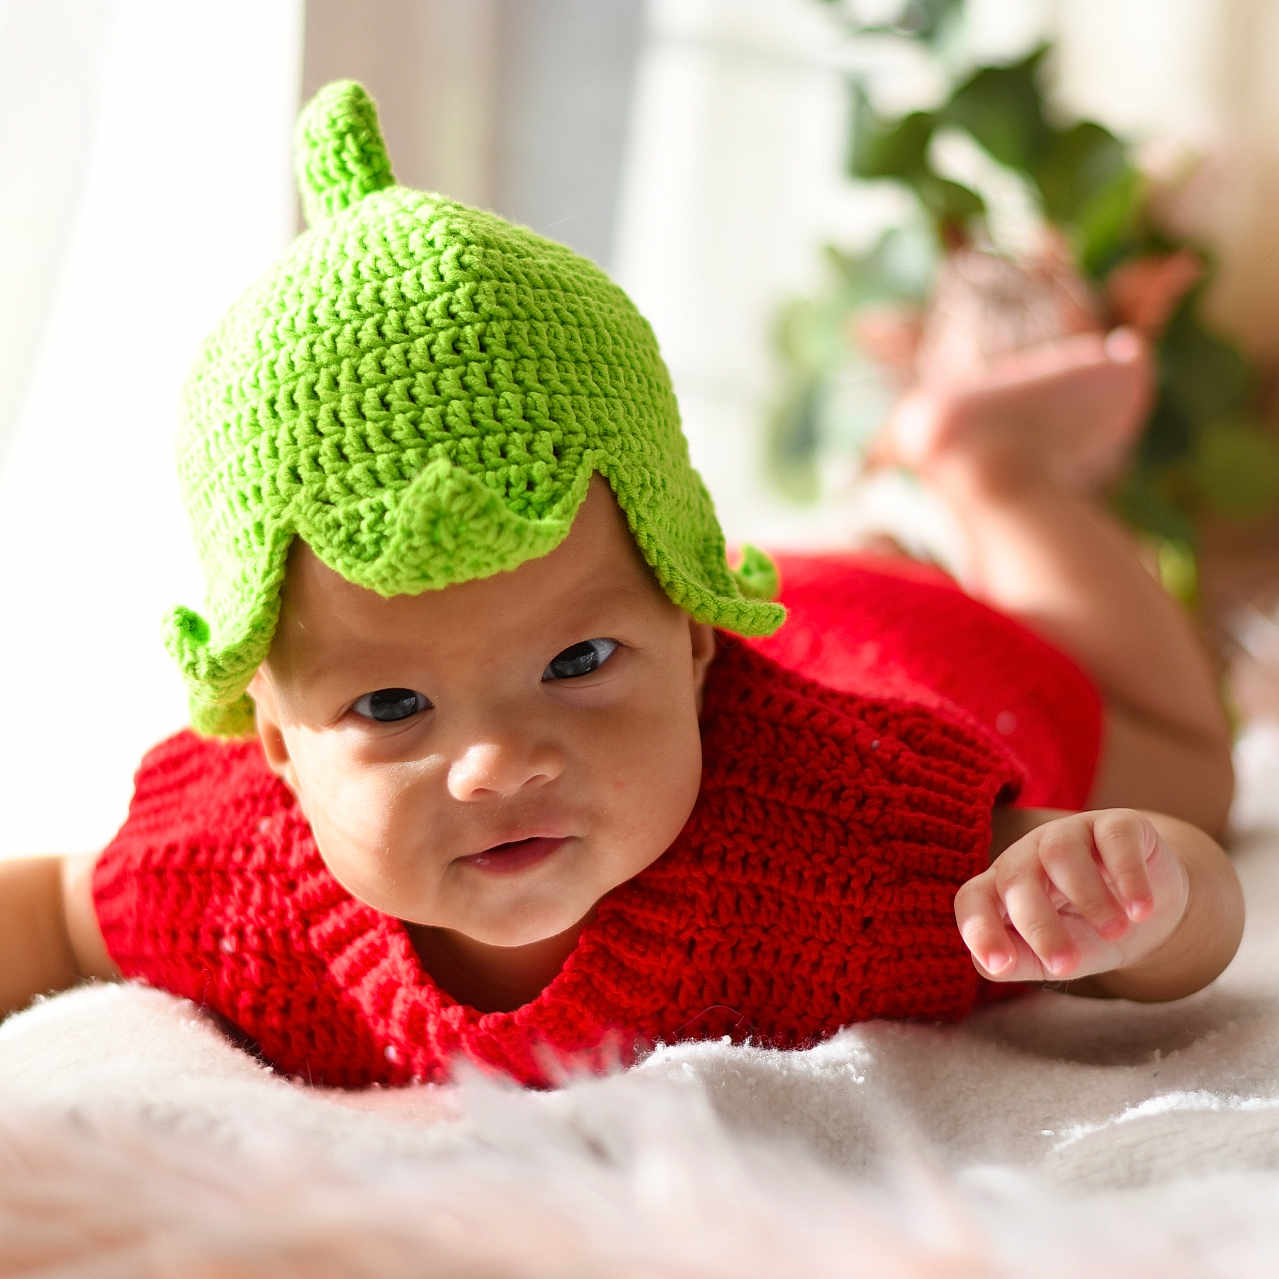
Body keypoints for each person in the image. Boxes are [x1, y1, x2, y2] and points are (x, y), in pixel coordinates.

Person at [0, 82, 1242, 1089]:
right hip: (759, 599)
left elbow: (1181, 923)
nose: (498, 764)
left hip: (920, 650)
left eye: (578, 664)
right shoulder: (234, 874)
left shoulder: (845, 843)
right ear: (272, 741)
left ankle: (998, 477)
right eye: (390, 708)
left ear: (691, 631)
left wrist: (1134, 891)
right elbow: (58, 909)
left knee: (1187, 760)